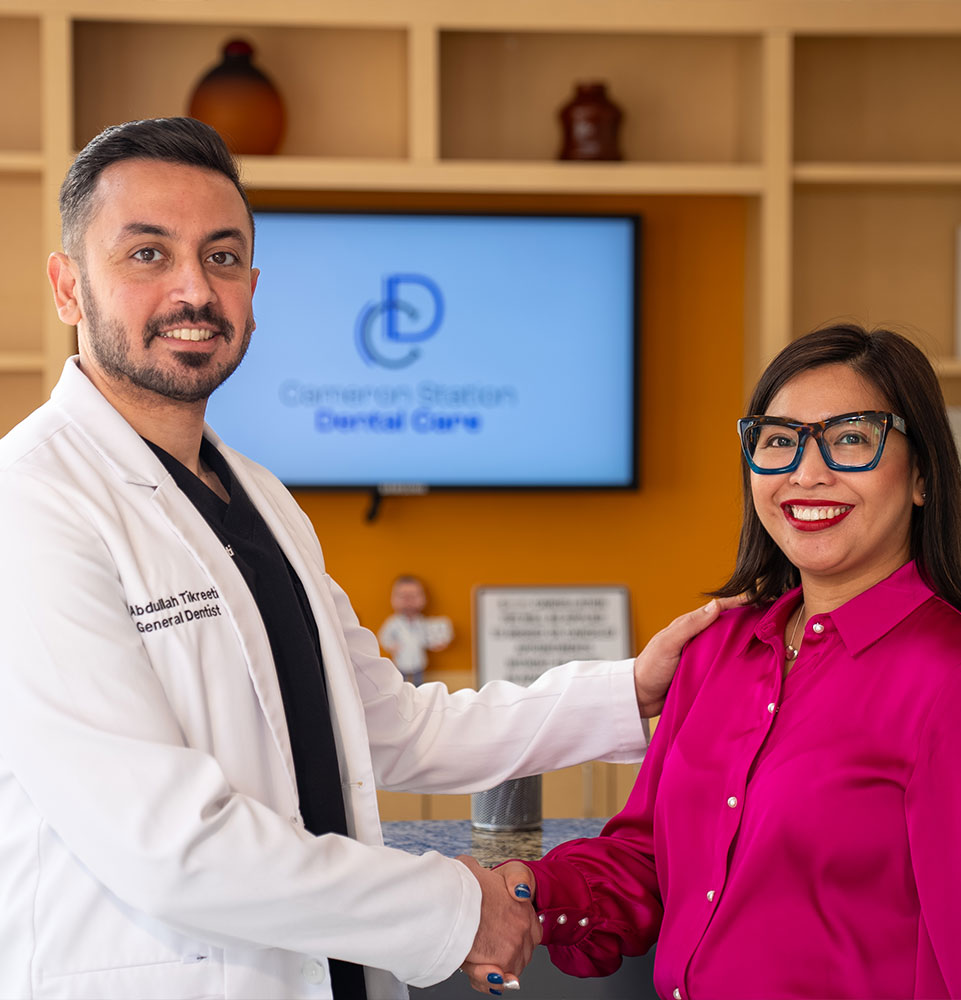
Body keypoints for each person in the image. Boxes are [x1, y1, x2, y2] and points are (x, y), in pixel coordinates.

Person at [0, 116, 730, 1000]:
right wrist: (458, 909)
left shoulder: (261, 498)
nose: (194, 290)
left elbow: (390, 727)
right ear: (68, 287)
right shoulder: (31, 503)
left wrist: (631, 691)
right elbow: (168, 845)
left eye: (222, 257)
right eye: (147, 254)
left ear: (252, 289)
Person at [469, 324, 961, 999]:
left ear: (923, 476)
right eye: (779, 441)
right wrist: (526, 890)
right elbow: (649, 859)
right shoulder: (717, 648)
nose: (806, 473)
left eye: (850, 438)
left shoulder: (945, 674)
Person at [378, 574, 452, 685]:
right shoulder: (393, 623)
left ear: (424, 599)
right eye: (403, 596)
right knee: (401, 682)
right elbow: (384, 636)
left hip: (418, 661)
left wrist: (437, 644)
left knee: (418, 683)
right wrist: (390, 645)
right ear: (393, 600)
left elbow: (427, 638)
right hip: (401, 660)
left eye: (413, 596)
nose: (408, 601)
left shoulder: (422, 622)